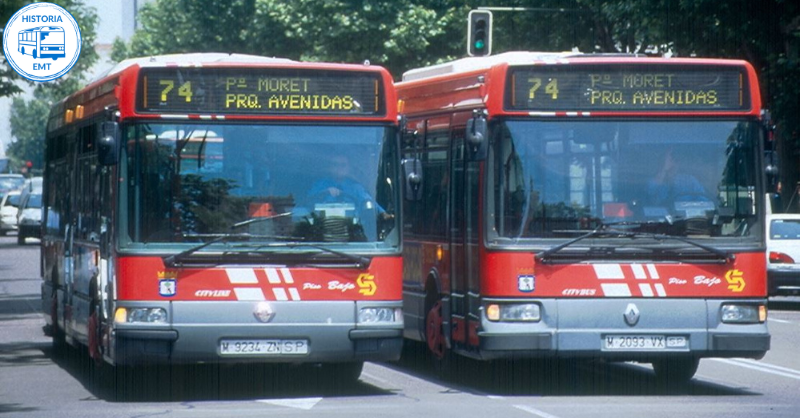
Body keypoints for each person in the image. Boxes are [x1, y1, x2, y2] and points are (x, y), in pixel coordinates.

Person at [646, 148, 711, 207]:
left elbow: (704, 203)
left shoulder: (690, 181)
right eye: (670, 160)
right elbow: (653, 202)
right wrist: (664, 169)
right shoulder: (653, 182)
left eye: (676, 160)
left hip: (688, 219)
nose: (674, 164)